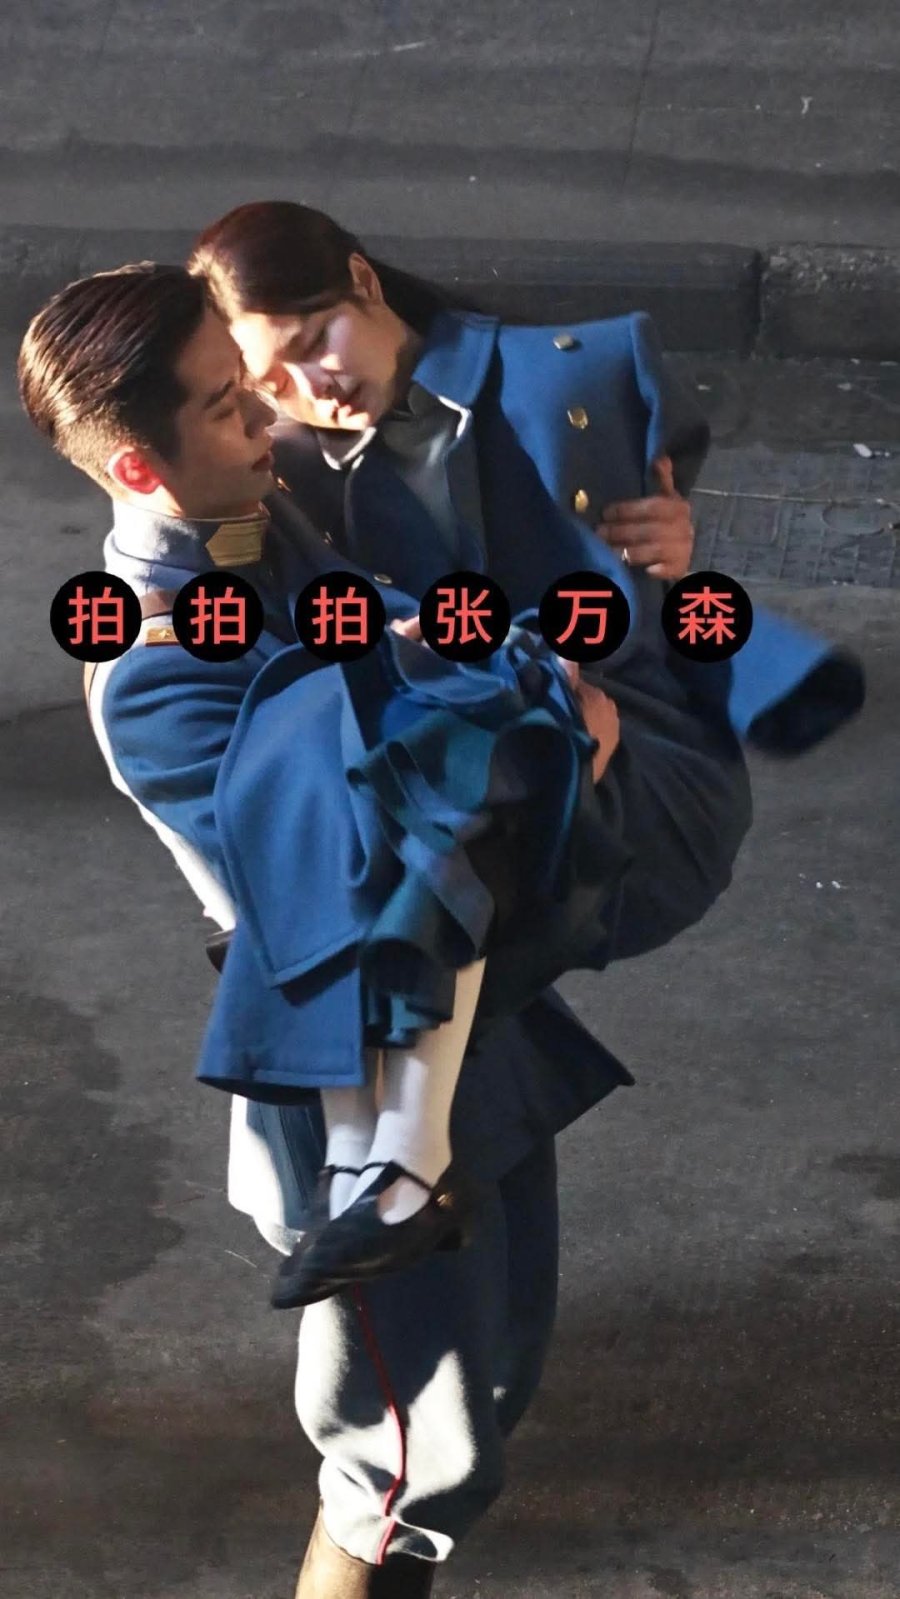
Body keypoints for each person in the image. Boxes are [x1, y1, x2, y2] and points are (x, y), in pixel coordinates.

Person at [19, 246, 862, 1597]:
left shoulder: (261, 515)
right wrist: (540, 737)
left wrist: (624, 575)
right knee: (405, 1455)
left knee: (494, 1374)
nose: (269, 418)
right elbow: (363, 861)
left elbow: (445, 582)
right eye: (230, 404)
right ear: (136, 467)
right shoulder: (158, 673)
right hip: (357, 1055)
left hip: (472, 1019)